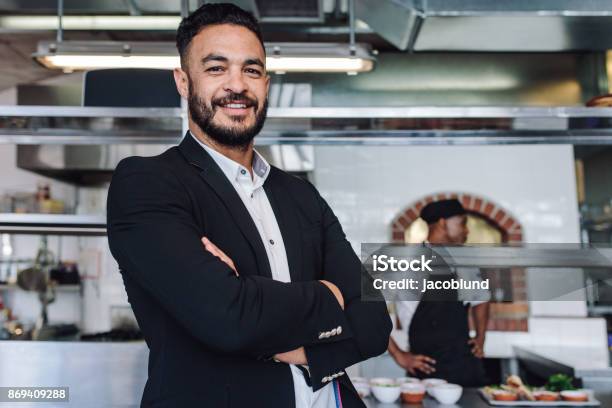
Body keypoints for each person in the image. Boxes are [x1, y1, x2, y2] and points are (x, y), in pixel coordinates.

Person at [106, 3, 391, 407]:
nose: (236, 85)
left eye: (251, 70)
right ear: (183, 82)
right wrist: (331, 295)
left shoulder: (301, 195)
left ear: (266, 84)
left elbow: (376, 322)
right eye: (216, 68)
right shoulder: (148, 183)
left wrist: (292, 343)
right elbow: (229, 318)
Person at [388, 199, 490, 387]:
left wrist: (481, 337)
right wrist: (398, 354)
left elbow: (481, 299)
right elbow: (366, 307)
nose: (467, 230)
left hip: (466, 366)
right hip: (427, 369)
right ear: (443, 223)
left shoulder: (465, 261)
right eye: (462, 223)